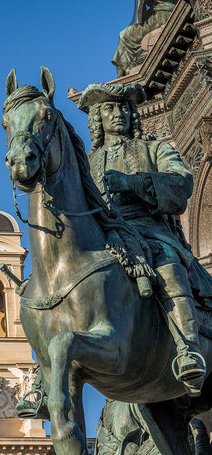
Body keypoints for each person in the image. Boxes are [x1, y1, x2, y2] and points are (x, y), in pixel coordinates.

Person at [77, 82, 212, 394]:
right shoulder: (85, 163)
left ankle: (188, 348)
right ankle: (46, 380)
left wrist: (131, 183)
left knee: (168, 265)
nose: (118, 114)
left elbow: (181, 184)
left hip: (148, 230)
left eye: (123, 108)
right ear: (97, 117)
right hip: (102, 238)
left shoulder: (154, 149)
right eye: (109, 108)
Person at [112, 0, 176, 76]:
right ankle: (127, 73)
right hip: (159, 10)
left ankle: (126, 72)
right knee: (125, 34)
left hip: (164, 11)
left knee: (125, 35)